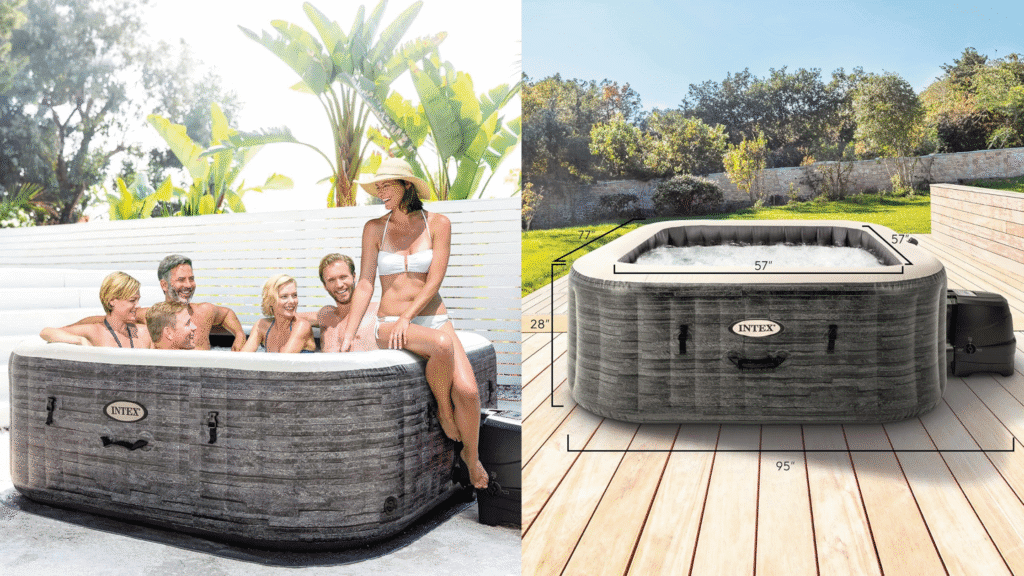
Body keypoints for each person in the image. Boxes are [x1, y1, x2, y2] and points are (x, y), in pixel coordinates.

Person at [342, 157, 488, 490]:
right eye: (378, 187)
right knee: (441, 346)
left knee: (468, 391)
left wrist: (410, 318)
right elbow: (365, 282)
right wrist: (350, 333)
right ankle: (444, 413)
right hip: (389, 321)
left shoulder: (438, 223)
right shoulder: (374, 228)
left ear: (407, 185)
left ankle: (471, 456)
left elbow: (434, 281)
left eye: (386, 186)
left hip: (432, 316)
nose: (380, 192)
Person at [73, 255, 247, 350]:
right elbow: (104, 320)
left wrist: (239, 334)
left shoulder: (205, 311)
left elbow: (227, 314)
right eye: (181, 280)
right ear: (164, 285)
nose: (188, 285)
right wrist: (71, 330)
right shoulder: (151, 315)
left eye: (191, 279)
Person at [40, 271, 154, 348]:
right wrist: (79, 340)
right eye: (132, 300)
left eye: (138, 300)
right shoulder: (94, 331)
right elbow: (46, 332)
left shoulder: (144, 332)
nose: (138, 305)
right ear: (112, 301)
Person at [299, 253, 378, 352]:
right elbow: (292, 316)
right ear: (325, 286)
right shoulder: (326, 315)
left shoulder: (375, 311)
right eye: (331, 280)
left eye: (343, 277)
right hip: (326, 367)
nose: (339, 285)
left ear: (354, 277)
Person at [241, 274, 317, 353]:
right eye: (284, 296)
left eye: (294, 295)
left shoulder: (302, 326)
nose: (292, 301)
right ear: (270, 301)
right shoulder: (262, 325)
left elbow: (283, 361)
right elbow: (242, 358)